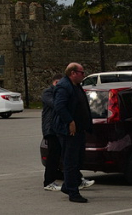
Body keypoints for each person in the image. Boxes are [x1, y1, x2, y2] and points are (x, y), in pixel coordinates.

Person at [53, 62, 94, 203]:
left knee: (78, 160)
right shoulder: (64, 86)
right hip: (69, 131)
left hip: (79, 130)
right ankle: (73, 192)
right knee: (71, 161)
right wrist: (70, 121)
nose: (84, 75)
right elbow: (59, 106)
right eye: (82, 73)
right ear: (73, 73)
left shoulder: (76, 85)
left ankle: (68, 186)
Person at [42, 73, 64, 190]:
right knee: (53, 155)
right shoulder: (48, 92)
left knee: (63, 154)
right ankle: (48, 182)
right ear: (55, 83)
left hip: (59, 127)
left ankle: (77, 178)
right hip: (50, 128)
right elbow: (56, 104)